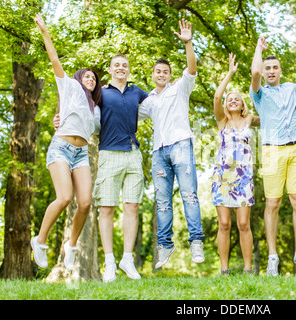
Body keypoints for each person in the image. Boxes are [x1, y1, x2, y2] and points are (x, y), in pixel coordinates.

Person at [31, 14, 102, 272]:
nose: (91, 79)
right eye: (88, 76)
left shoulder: (96, 110)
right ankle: (39, 240)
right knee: (64, 198)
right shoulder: (69, 87)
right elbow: (54, 59)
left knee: (84, 202)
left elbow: (105, 127)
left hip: (81, 153)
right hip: (61, 147)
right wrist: (44, 31)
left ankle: (70, 246)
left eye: (94, 79)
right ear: (79, 77)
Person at [138, 19, 205, 269]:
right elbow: (125, 115)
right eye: (158, 72)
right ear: (153, 75)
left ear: (170, 75)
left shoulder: (181, 88)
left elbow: (192, 68)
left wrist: (188, 42)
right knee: (162, 201)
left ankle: (196, 241)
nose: (161, 75)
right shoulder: (149, 100)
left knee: (189, 195)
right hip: (158, 151)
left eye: (165, 72)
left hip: (180, 145)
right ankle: (165, 245)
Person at [250, 38, 296, 276]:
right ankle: (272, 257)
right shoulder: (258, 94)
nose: (270, 71)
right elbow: (255, 71)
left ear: (280, 71)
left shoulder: (291, 88)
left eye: (274, 67)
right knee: (273, 203)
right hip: (271, 151)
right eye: (268, 68)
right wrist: (260, 49)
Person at [91, 52, 149, 282]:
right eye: (117, 65)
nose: (121, 68)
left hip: (133, 153)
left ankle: (127, 259)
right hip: (108, 153)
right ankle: (110, 262)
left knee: (132, 206)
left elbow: (158, 101)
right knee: (106, 208)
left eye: (124, 65)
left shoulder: (137, 91)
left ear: (128, 69)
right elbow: (83, 111)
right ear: (110, 69)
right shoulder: (101, 93)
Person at [212, 53, 260, 275]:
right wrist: (230, 73)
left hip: (244, 178)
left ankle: (249, 269)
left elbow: (267, 111)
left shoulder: (249, 120)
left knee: (243, 224)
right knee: (224, 224)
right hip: (223, 177)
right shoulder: (223, 120)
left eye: (236, 98)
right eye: (229, 98)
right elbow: (216, 97)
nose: (232, 100)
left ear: (242, 104)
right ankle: (224, 270)